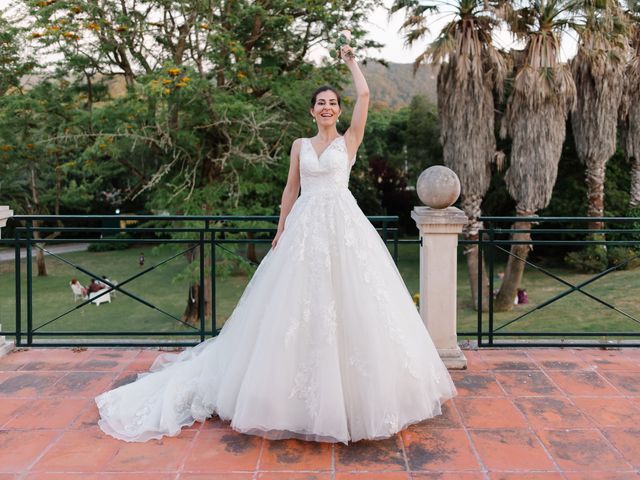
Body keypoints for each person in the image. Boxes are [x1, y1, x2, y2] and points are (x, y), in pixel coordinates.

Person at [95, 34, 456, 444]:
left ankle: (356, 400)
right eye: (321, 102)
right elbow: (290, 189)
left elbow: (367, 94)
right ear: (311, 110)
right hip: (304, 227)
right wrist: (281, 228)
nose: (327, 107)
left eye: (333, 103)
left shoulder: (348, 141)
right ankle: (286, 397)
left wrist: (352, 61)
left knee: (354, 302)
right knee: (295, 307)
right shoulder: (299, 145)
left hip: (344, 226)